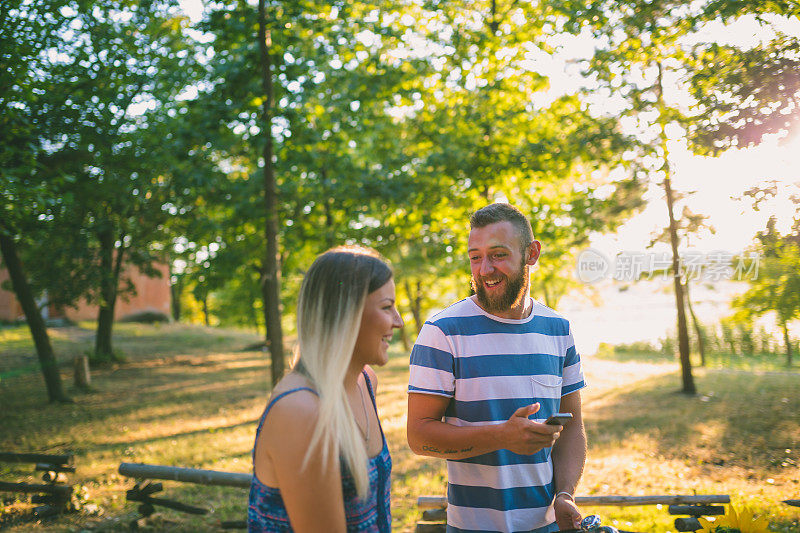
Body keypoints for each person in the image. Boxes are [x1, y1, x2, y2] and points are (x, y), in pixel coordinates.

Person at [407, 203, 587, 532]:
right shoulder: (442, 332)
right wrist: (501, 437)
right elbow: (419, 437)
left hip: (546, 526)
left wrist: (564, 495)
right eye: (475, 257)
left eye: (498, 254)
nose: (484, 269)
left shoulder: (558, 330)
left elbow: (572, 428)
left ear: (531, 253)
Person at [249, 246, 403, 532]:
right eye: (386, 307)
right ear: (345, 315)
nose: (399, 321)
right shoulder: (301, 412)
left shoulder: (366, 382)